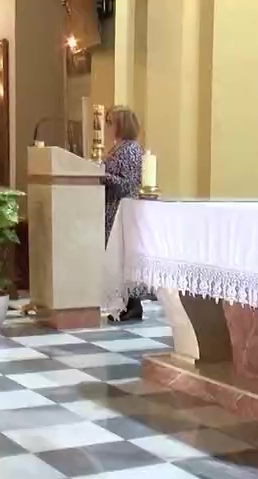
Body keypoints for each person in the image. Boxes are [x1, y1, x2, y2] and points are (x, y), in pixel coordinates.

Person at [103, 105, 145, 322]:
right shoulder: (118, 147)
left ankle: (133, 305)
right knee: (116, 257)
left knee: (125, 256)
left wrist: (101, 175)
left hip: (124, 207)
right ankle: (122, 303)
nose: (107, 126)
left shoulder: (130, 149)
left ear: (122, 124)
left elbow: (127, 183)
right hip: (113, 207)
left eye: (111, 122)